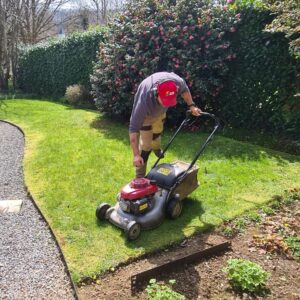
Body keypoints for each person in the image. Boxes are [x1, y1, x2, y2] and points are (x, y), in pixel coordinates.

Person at [129, 71, 202, 178]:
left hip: (160, 113)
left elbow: (185, 90)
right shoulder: (144, 101)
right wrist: (135, 155)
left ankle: (156, 149)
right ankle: (139, 177)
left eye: (170, 100)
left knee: (157, 133)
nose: (167, 103)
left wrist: (192, 106)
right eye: (164, 100)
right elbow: (133, 129)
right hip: (147, 116)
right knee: (145, 146)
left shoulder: (178, 82)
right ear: (156, 93)